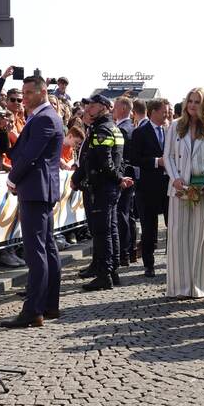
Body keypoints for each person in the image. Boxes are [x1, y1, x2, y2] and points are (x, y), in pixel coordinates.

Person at [0, 76, 64, 327]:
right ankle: (49, 305)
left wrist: (13, 179)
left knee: (36, 250)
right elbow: (20, 152)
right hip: (40, 190)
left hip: (36, 190)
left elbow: (30, 156)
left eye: (28, 93)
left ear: (42, 92)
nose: (23, 98)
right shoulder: (40, 117)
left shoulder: (45, 117)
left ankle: (34, 309)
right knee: (46, 248)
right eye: (22, 93)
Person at [163, 88, 204, 298]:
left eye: (197, 101)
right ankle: (178, 287)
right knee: (178, 237)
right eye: (189, 101)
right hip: (180, 188)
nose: (192, 105)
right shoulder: (174, 126)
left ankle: (198, 286)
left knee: (202, 238)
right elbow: (169, 156)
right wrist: (175, 179)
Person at [73, 94, 127, 291]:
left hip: (102, 187)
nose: (88, 109)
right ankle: (111, 271)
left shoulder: (102, 129)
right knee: (110, 230)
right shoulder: (112, 127)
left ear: (104, 107)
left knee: (103, 232)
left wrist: (116, 178)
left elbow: (104, 162)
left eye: (93, 106)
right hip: (109, 187)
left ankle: (105, 275)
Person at [132, 99, 169, 277]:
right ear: (153, 111)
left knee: (173, 225)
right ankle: (149, 264)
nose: (167, 114)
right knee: (149, 228)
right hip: (147, 188)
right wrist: (156, 162)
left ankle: (173, 262)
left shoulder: (170, 131)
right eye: (164, 111)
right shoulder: (140, 132)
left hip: (168, 187)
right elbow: (134, 158)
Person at [113, 96, 137, 266]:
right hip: (129, 175)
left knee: (122, 214)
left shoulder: (123, 129)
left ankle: (124, 252)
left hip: (124, 176)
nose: (113, 109)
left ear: (122, 108)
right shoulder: (131, 127)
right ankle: (130, 250)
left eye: (115, 106)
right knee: (128, 214)